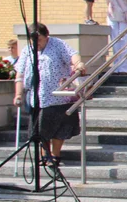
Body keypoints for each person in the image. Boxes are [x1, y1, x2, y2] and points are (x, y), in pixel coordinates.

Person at [13, 23, 86, 167]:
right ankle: (44, 154)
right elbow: (20, 75)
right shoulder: (28, 50)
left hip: (59, 96)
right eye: (33, 40)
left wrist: (78, 64)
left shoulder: (58, 44)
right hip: (37, 97)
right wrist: (18, 94)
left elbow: (72, 54)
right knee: (40, 129)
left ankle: (55, 155)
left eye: (39, 40)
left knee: (60, 129)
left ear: (46, 36)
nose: (36, 43)